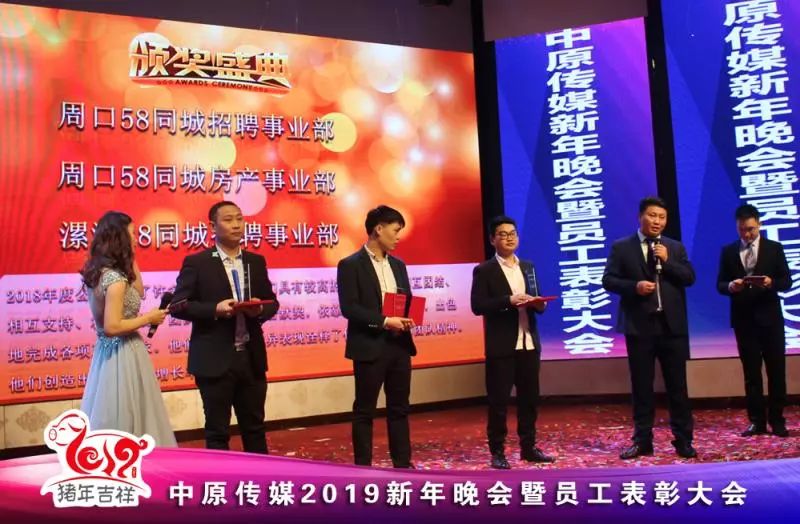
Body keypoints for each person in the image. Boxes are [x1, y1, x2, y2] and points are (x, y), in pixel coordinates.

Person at [172, 201, 279, 453]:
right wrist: (214, 310)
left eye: (240, 219)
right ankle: (220, 478)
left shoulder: (255, 261)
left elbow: (273, 302)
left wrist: (259, 310)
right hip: (214, 360)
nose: (236, 225)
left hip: (250, 358)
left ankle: (262, 478)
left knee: (255, 428)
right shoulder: (198, 263)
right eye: (228, 219)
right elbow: (178, 306)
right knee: (217, 431)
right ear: (213, 226)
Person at [602, 196, 697, 459]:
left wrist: (668, 261)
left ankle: (683, 440)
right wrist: (634, 287)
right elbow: (608, 280)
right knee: (642, 387)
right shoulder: (622, 247)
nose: (657, 221)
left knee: (677, 386)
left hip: (672, 327)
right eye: (652, 215)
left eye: (662, 217)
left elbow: (689, 277)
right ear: (640, 216)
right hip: (639, 327)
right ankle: (642, 440)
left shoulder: (674, 247)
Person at [79, 211, 176, 447]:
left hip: (108, 352)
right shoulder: (115, 279)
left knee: (113, 408)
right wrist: (148, 318)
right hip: (123, 351)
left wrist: (129, 257)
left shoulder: (101, 272)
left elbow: (139, 291)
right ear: (120, 237)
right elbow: (112, 326)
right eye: (132, 234)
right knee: (125, 412)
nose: (136, 239)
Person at [470, 216, 554, 469]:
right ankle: (497, 451)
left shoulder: (527, 266)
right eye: (503, 234)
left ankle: (529, 447)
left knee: (530, 399)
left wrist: (538, 303)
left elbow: (537, 299)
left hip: (529, 343)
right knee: (498, 402)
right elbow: (478, 305)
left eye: (513, 233)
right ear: (492, 239)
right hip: (502, 346)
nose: (509, 238)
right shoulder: (484, 270)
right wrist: (508, 300)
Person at [337, 205, 416, 468]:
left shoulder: (398, 265)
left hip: (399, 345)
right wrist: (384, 321)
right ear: (378, 229)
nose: (398, 237)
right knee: (365, 410)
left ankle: (402, 464)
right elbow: (349, 308)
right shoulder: (350, 265)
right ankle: (363, 466)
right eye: (395, 230)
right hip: (369, 346)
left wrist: (407, 317)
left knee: (399, 408)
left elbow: (406, 299)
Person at [716, 204, 791, 438]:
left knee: (776, 371)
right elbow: (720, 284)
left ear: (759, 224)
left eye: (750, 229)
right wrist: (731, 286)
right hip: (744, 320)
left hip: (770, 320)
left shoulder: (774, 248)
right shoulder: (729, 251)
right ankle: (756, 421)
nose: (747, 234)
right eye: (742, 230)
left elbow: (786, 281)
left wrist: (771, 282)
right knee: (751, 374)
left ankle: (777, 420)